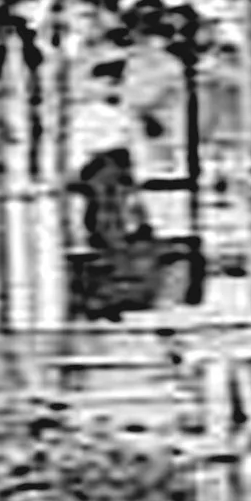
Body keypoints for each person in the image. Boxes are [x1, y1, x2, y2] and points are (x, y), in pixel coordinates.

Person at [71, 52, 155, 321]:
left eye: (114, 82)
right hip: (96, 174)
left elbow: (135, 150)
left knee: (119, 236)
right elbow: (80, 150)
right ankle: (97, 298)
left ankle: (116, 297)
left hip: (117, 174)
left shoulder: (124, 115)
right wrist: (76, 173)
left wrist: (138, 186)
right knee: (98, 233)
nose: (108, 88)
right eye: (103, 82)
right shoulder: (85, 116)